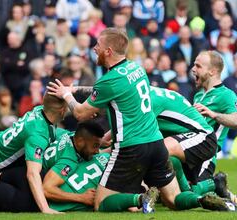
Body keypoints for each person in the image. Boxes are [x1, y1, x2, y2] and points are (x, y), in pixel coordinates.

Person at [47, 28, 197, 213]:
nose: (94, 49)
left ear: (108, 51)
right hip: (156, 143)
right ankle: (202, 199)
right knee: (173, 200)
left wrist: (67, 94)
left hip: (131, 148)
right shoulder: (137, 68)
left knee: (101, 204)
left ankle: (141, 198)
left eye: (98, 46)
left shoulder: (109, 80)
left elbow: (80, 113)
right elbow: (118, 99)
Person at [0, 93, 67, 214]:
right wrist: (45, 208)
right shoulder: (38, 135)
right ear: (63, 111)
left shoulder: (41, 111)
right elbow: (32, 174)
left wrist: (68, 93)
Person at [191, 50, 237, 199]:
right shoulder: (198, 95)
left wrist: (213, 114)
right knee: (168, 192)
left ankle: (215, 183)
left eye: (198, 66)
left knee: (189, 194)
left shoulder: (227, 95)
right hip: (189, 151)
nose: (193, 69)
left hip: (206, 154)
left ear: (212, 71)